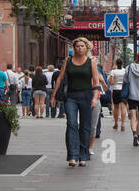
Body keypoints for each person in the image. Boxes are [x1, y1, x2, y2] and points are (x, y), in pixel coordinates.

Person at [51, 37, 105, 167]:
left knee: (85, 127)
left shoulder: (91, 62)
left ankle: (83, 155)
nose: (79, 48)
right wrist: (53, 96)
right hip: (71, 96)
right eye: (77, 46)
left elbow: (96, 81)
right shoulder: (68, 61)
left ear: (86, 48)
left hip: (87, 96)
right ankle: (72, 156)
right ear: (74, 48)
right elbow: (60, 79)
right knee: (71, 124)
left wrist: (94, 97)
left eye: (82, 46)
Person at [109, 59, 128, 132]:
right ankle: (123, 124)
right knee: (123, 108)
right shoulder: (125, 71)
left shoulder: (113, 71)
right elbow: (126, 81)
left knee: (116, 108)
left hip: (116, 90)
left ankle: (116, 123)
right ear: (122, 63)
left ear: (116, 64)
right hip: (123, 90)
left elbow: (112, 82)